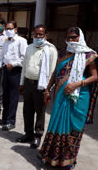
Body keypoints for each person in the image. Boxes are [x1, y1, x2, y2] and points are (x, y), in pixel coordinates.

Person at [38, 27, 97, 169]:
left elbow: (95, 77)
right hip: (61, 96)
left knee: (74, 127)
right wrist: (47, 89)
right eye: (68, 37)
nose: (70, 40)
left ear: (80, 37)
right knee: (57, 124)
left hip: (80, 97)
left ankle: (68, 160)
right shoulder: (63, 53)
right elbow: (55, 73)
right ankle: (51, 157)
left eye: (74, 37)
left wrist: (77, 83)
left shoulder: (89, 55)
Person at [17, 24, 58, 149]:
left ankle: (37, 136)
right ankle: (28, 134)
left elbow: (52, 71)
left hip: (41, 86)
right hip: (28, 83)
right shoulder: (29, 48)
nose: (38, 36)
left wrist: (48, 89)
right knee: (27, 110)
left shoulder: (50, 50)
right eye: (36, 34)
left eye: (41, 34)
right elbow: (24, 66)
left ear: (45, 36)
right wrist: (21, 83)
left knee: (40, 112)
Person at [0, 21, 27, 131]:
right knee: (5, 96)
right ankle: (5, 118)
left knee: (13, 97)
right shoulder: (5, 42)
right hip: (6, 70)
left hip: (16, 71)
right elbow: (2, 56)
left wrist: (13, 64)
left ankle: (11, 121)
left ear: (16, 29)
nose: (8, 31)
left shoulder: (21, 41)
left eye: (10, 28)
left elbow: (23, 58)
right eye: (7, 29)